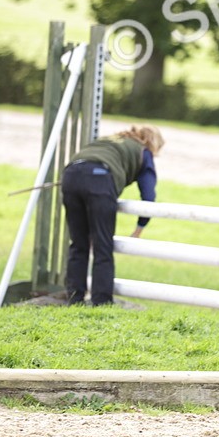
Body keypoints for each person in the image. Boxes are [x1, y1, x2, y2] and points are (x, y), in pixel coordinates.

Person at [60, 125, 164, 305]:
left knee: (78, 244)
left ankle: (74, 299)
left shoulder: (109, 141)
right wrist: (140, 226)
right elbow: (148, 195)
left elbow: (84, 164)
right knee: (102, 246)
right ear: (152, 144)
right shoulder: (143, 151)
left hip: (71, 174)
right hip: (100, 179)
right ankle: (101, 302)